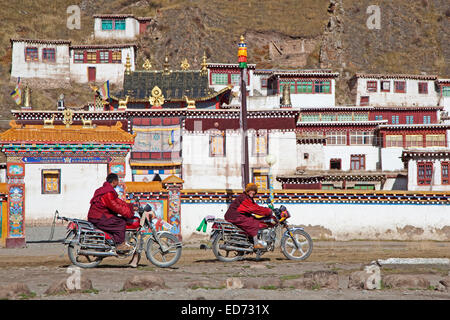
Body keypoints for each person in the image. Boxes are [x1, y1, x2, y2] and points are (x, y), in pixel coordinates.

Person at [88, 173, 134, 252]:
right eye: (118, 181)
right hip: (100, 217)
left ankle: (113, 241)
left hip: (98, 215)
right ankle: (120, 244)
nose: (118, 183)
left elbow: (118, 201)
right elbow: (115, 206)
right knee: (121, 222)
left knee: (118, 220)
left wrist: (130, 206)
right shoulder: (108, 193)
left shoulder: (105, 190)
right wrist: (128, 213)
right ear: (114, 181)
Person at [224, 183, 273, 249]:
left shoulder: (248, 198)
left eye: (254, 191)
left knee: (255, 219)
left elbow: (255, 206)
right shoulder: (244, 198)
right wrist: (268, 211)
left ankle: (252, 240)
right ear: (247, 190)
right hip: (235, 216)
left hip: (238, 215)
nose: (253, 192)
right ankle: (256, 244)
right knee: (253, 222)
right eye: (251, 190)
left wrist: (265, 209)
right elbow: (254, 209)